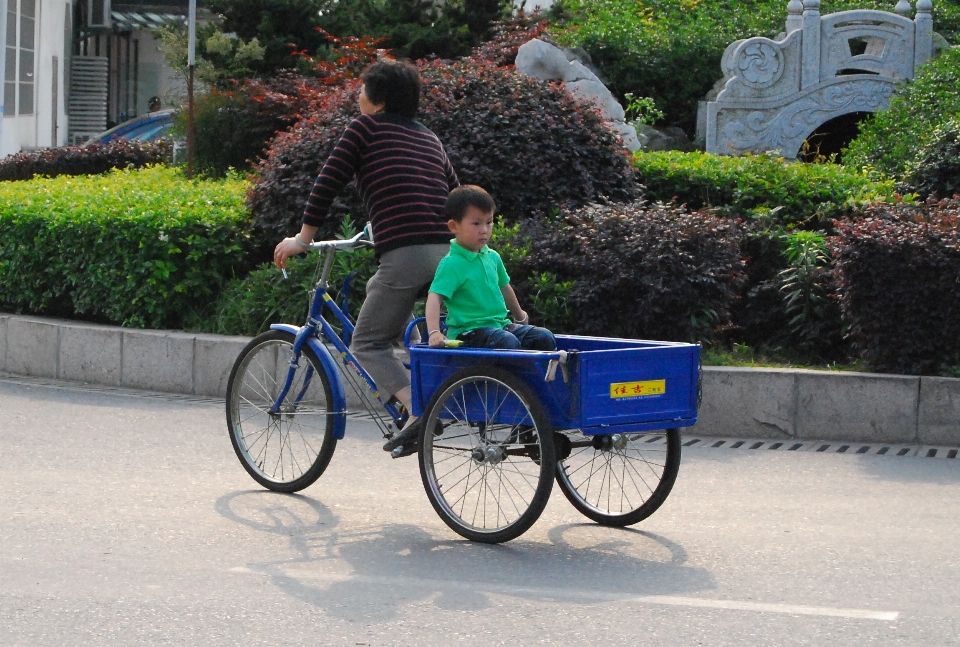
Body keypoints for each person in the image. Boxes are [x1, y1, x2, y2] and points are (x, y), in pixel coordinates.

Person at [272, 59, 459, 454]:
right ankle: (428, 388)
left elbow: (328, 181)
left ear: (378, 99)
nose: (358, 96)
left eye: (361, 90)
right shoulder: (430, 138)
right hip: (448, 251)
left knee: (367, 343)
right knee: (401, 320)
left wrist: (302, 239)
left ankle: (417, 408)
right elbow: (453, 196)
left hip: (406, 253)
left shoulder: (365, 128)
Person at [425, 185, 557, 352]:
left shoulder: (492, 257)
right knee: (506, 342)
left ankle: (536, 378)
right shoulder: (452, 263)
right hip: (469, 332)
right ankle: (507, 378)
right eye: (476, 223)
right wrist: (434, 332)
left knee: (543, 337)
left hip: (500, 326)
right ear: (454, 226)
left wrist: (519, 315)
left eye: (489, 222)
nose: (484, 230)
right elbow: (435, 297)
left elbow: (505, 287)